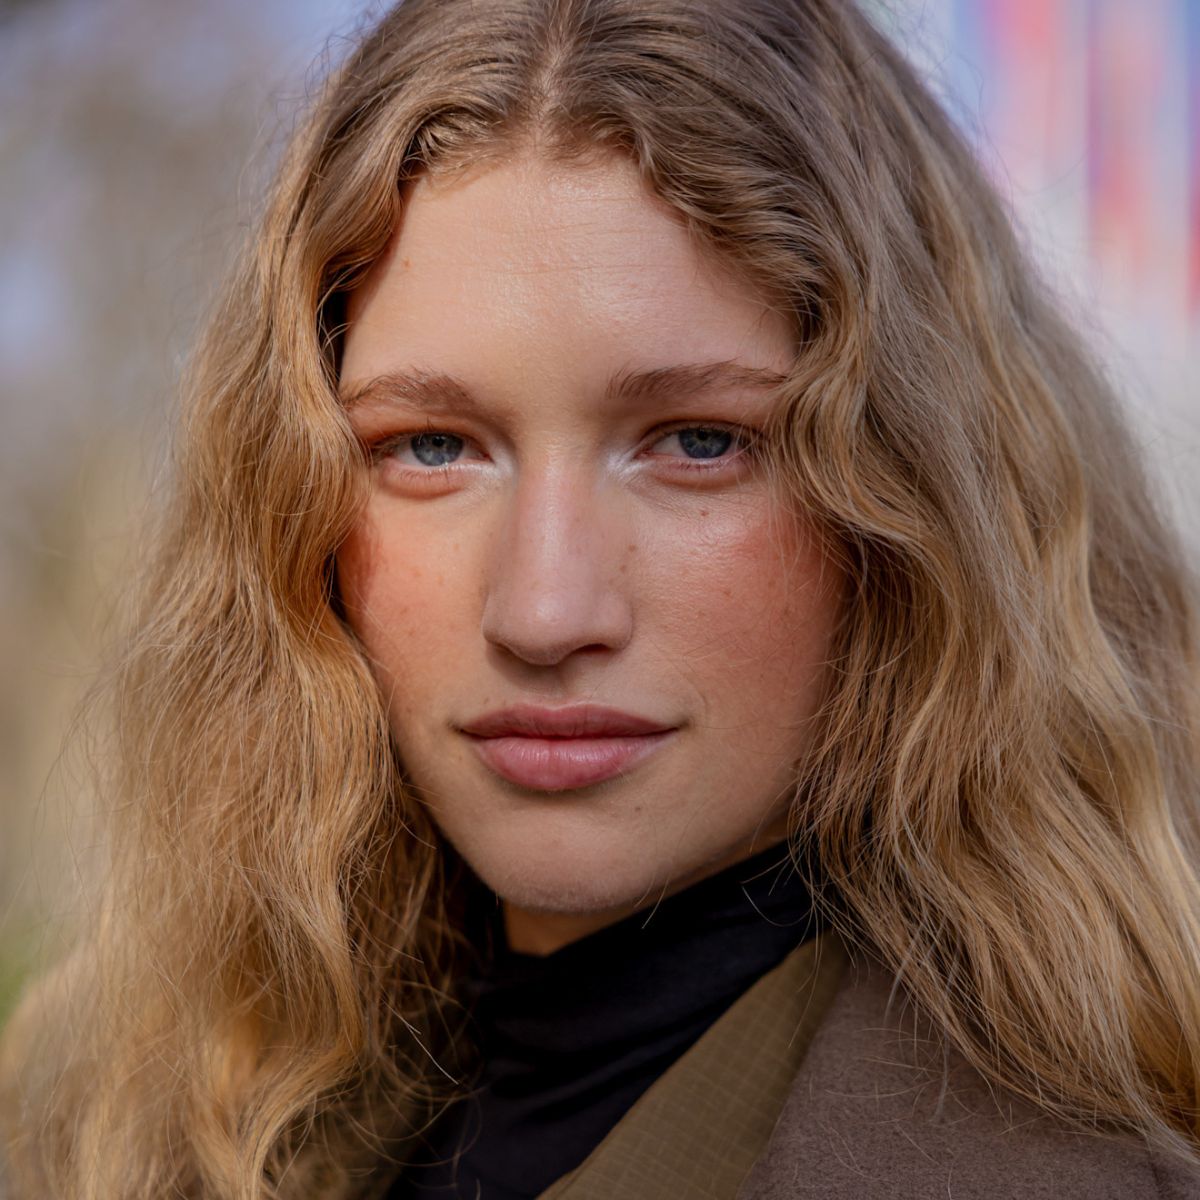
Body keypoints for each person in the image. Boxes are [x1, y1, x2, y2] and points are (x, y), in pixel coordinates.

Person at [2, 0, 1199, 1196]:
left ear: (915, 503)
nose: (544, 609)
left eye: (695, 440)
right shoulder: (112, 1119)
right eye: (431, 447)